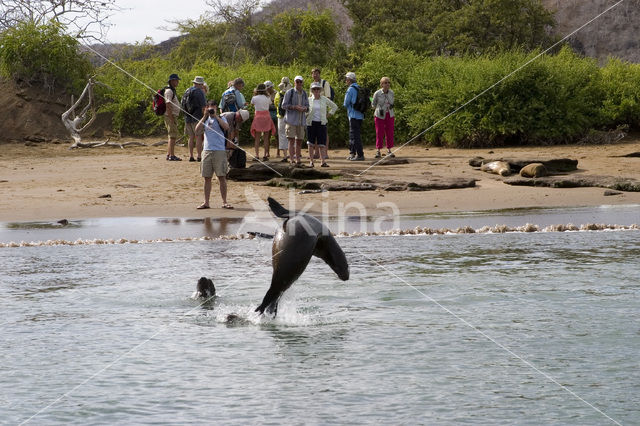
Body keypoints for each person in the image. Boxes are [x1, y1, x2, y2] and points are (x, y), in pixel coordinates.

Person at [195, 100, 232, 210]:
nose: (211, 108)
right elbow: (197, 130)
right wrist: (204, 116)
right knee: (207, 178)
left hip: (219, 151)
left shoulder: (221, 117)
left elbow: (226, 127)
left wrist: (215, 116)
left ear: (216, 107)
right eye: (209, 107)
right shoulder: (205, 119)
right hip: (207, 150)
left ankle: (224, 202)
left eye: (213, 107)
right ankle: (206, 202)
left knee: (221, 177)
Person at [307, 81, 338, 168]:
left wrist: (329, 114)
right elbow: (305, 110)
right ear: (312, 90)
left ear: (320, 90)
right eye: (314, 89)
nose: (316, 90)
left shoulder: (324, 99)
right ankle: (311, 161)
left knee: (322, 143)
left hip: (322, 123)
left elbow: (334, 106)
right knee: (310, 143)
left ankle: (322, 161)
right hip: (311, 123)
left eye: (318, 89)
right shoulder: (308, 100)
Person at [282, 75, 309, 166]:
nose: (299, 83)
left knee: (299, 140)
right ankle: (292, 159)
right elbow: (284, 105)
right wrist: (295, 107)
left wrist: (304, 108)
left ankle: (298, 159)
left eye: (300, 82)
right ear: (294, 82)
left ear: (302, 82)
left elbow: (308, 107)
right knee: (291, 140)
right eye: (297, 82)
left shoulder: (305, 93)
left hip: (301, 121)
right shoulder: (290, 92)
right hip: (291, 120)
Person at [183, 76, 207, 162]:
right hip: (197, 117)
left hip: (187, 117)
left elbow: (183, 104)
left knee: (191, 136)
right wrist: (205, 117)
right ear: (200, 84)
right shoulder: (199, 92)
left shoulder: (187, 91)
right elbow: (203, 106)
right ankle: (199, 156)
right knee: (198, 136)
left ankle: (191, 155)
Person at [250, 83, 276, 161]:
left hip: (258, 117)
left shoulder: (254, 98)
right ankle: (265, 155)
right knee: (266, 138)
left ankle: (257, 155)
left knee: (257, 138)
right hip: (266, 117)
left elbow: (252, 104)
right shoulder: (267, 97)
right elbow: (271, 103)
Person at [310, 68, 333, 157]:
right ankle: (316, 153)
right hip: (313, 111)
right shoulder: (312, 84)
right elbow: (310, 97)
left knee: (324, 132)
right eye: (313, 73)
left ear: (319, 74)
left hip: (322, 110)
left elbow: (328, 98)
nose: (315, 75)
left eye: (316, 73)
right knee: (315, 131)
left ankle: (325, 153)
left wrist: (327, 112)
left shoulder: (325, 83)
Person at [372, 76, 396, 159]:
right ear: (381, 84)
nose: (387, 84)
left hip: (390, 114)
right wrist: (379, 109)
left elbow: (392, 102)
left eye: (388, 82)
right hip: (379, 115)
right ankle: (378, 150)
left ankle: (389, 150)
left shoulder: (391, 92)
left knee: (390, 132)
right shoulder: (377, 93)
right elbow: (373, 104)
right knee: (380, 132)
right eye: (385, 83)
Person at [343, 71, 365, 161]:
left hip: (353, 115)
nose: (345, 81)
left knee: (354, 136)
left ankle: (360, 155)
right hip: (360, 115)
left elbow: (345, 103)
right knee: (355, 135)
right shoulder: (359, 88)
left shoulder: (350, 89)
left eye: (346, 79)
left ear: (349, 80)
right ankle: (352, 153)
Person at [164, 73, 182, 161]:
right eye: (176, 80)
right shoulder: (169, 91)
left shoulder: (172, 90)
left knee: (171, 135)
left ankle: (169, 154)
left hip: (172, 116)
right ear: (172, 81)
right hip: (170, 116)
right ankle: (172, 155)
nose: (177, 82)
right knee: (173, 136)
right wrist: (171, 118)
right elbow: (168, 104)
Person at [274, 77, 292, 162]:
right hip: (291, 116)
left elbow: (276, 104)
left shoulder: (278, 94)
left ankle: (285, 155)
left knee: (282, 135)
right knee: (292, 134)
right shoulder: (292, 93)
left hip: (281, 116)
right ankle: (293, 154)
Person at [264, 80, 278, 155]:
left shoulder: (276, 93)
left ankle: (278, 152)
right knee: (267, 134)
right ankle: (267, 152)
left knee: (276, 134)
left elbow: (277, 105)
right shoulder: (265, 94)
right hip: (267, 116)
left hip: (275, 115)